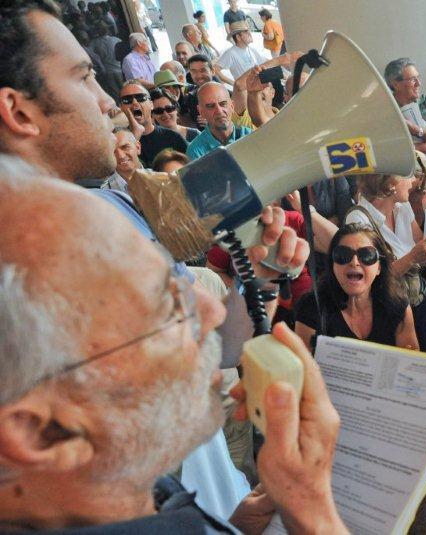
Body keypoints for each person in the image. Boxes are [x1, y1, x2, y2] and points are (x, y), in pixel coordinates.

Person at [0, 1, 322, 525]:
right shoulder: (28, 267)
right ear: (19, 112)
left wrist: (257, 282)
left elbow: (216, 348)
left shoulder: (112, 207)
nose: (109, 104)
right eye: (84, 77)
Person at [0, 161, 344, 533]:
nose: (212, 311)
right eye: (163, 305)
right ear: (39, 431)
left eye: (176, 280)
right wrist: (313, 511)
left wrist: (233, 527)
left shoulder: (142, 486)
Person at [344, 173, 426, 353]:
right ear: (390, 184)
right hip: (389, 312)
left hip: (419, 302)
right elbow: (370, 278)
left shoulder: (403, 208)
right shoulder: (358, 219)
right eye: (408, 176)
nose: (414, 181)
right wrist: (412, 257)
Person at [294, 222, 418, 349]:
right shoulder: (312, 306)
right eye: (343, 255)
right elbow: (302, 365)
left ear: (379, 267)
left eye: (366, 255)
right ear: (333, 264)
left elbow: (410, 364)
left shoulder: (397, 305)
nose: (354, 262)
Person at [385, 58, 426, 174]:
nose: (419, 84)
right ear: (395, 84)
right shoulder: (387, 112)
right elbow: (390, 152)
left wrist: (417, 130)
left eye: (418, 78)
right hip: (408, 173)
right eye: (413, 79)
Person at [118, 82, 188, 168]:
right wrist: (134, 137)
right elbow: (121, 174)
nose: (135, 102)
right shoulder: (117, 142)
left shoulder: (173, 138)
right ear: (121, 107)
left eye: (141, 98)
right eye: (127, 100)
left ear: (151, 105)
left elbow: (191, 170)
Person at [187, 81, 252, 160]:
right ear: (201, 112)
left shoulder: (251, 136)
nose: (219, 111)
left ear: (232, 106)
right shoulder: (195, 151)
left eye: (223, 104)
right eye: (211, 106)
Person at [88, 21, 122, 98]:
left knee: (116, 95)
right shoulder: (117, 40)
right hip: (120, 70)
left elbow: (88, 53)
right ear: (107, 29)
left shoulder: (94, 43)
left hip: (108, 72)